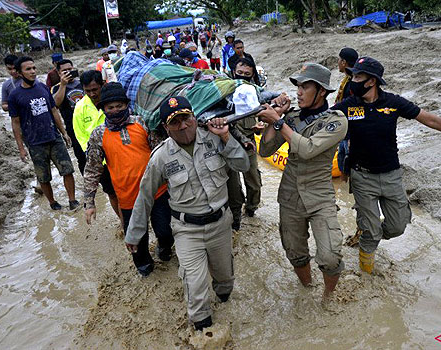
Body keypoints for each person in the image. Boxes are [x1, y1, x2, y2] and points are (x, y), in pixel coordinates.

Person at [331, 57, 441, 273]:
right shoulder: (348, 106)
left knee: (397, 227)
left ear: (371, 81)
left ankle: (368, 234)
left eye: (357, 76)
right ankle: (366, 273)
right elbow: (324, 121)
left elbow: (430, 120)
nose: (352, 80)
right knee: (371, 230)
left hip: (391, 176)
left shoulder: (393, 103)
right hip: (362, 177)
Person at [125, 96, 249, 331]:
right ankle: (204, 330)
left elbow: (242, 166)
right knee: (195, 285)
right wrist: (135, 234)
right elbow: (145, 197)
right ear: (165, 127)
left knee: (225, 281)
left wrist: (226, 136)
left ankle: (224, 300)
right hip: (187, 231)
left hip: (221, 224)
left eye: (186, 118)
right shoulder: (161, 157)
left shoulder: (215, 138)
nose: (183, 126)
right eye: (175, 122)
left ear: (194, 117)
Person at [258, 63, 347, 298]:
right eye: (297, 86)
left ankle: (328, 298)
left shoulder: (336, 121)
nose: (298, 92)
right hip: (290, 196)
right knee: (294, 252)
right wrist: (275, 117)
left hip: (320, 197)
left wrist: (279, 123)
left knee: (330, 255)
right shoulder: (292, 118)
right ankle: (307, 290)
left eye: (305, 87)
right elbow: (266, 150)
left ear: (321, 91)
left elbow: (308, 149)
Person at [83, 83, 175, 274]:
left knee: (166, 231)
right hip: (128, 198)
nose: (115, 110)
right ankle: (145, 269)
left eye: (119, 106)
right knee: (137, 243)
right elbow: (92, 169)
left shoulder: (142, 123)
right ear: (103, 109)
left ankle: (164, 251)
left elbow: (162, 153)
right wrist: (89, 202)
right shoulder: (98, 135)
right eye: (110, 107)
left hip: (157, 191)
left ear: (127, 105)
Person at [8, 56, 78, 211]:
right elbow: (15, 123)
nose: (33, 71)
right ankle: (53, 203)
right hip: (34, 142)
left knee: (67, 170)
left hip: (54, 137)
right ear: (19, 73)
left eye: (34, 68)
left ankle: (72, 200)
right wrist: (21, 148)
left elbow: (54, 111)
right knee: (43, 176)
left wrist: (64, 133)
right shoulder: (14, 95)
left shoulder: (42, 88)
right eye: (28, 69)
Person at [72, 70, 120, 221]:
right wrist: (96, 158)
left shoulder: (112, 103)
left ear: (102, 85)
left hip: (120, 155)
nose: (92, 94)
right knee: (112, 193)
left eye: (95, 89)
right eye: (87, 91)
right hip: (100, 160)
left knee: (128, 190)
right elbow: (81, 136)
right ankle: (123, 222)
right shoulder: (80, 109)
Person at [226, 58, 263, 225]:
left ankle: (251, 208)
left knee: (254, 181)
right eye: (239, 73)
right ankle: (236, 215)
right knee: (233, 186)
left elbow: (265, 116)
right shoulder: (224, 91)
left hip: (249, 141)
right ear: (233, 72)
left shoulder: (256, 92)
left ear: (252, 75)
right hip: (228, 143)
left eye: (247, 75)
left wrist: (261, 126)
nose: (242, 77)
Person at [51, 59, 85, 172]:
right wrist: (63, 85)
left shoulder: (83, 83)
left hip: (89, 123)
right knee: (81, 157)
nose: (68, 72)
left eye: (70, 69)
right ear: (59, 73)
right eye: (64, 71)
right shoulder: (56, 88)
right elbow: (55, 104)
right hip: (73, 128)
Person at [335, 48, 359, 181]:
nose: (337, 62)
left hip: (350, 133)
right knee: (342, 165)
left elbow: (355, 108)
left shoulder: (352, 84)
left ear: (344, 62)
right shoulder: (347, 80)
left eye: (339, 60)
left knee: (349, 165)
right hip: (345, 130)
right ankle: (344, 194)